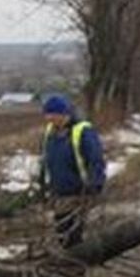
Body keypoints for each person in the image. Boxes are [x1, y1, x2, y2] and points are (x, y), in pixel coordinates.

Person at [38, 94, 106, 248]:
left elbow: (95, 159)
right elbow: (45, 160)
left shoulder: (82, 131)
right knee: (62, 232)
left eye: (52, 115)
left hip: (78, 192)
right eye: (47, 115)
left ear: (63, 114)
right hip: (58, 192)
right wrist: (42, 183)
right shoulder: (49, 133)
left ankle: (78, 260)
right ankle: (73, 257)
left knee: (72, 234)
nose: (49, 119)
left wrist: (95, 184)